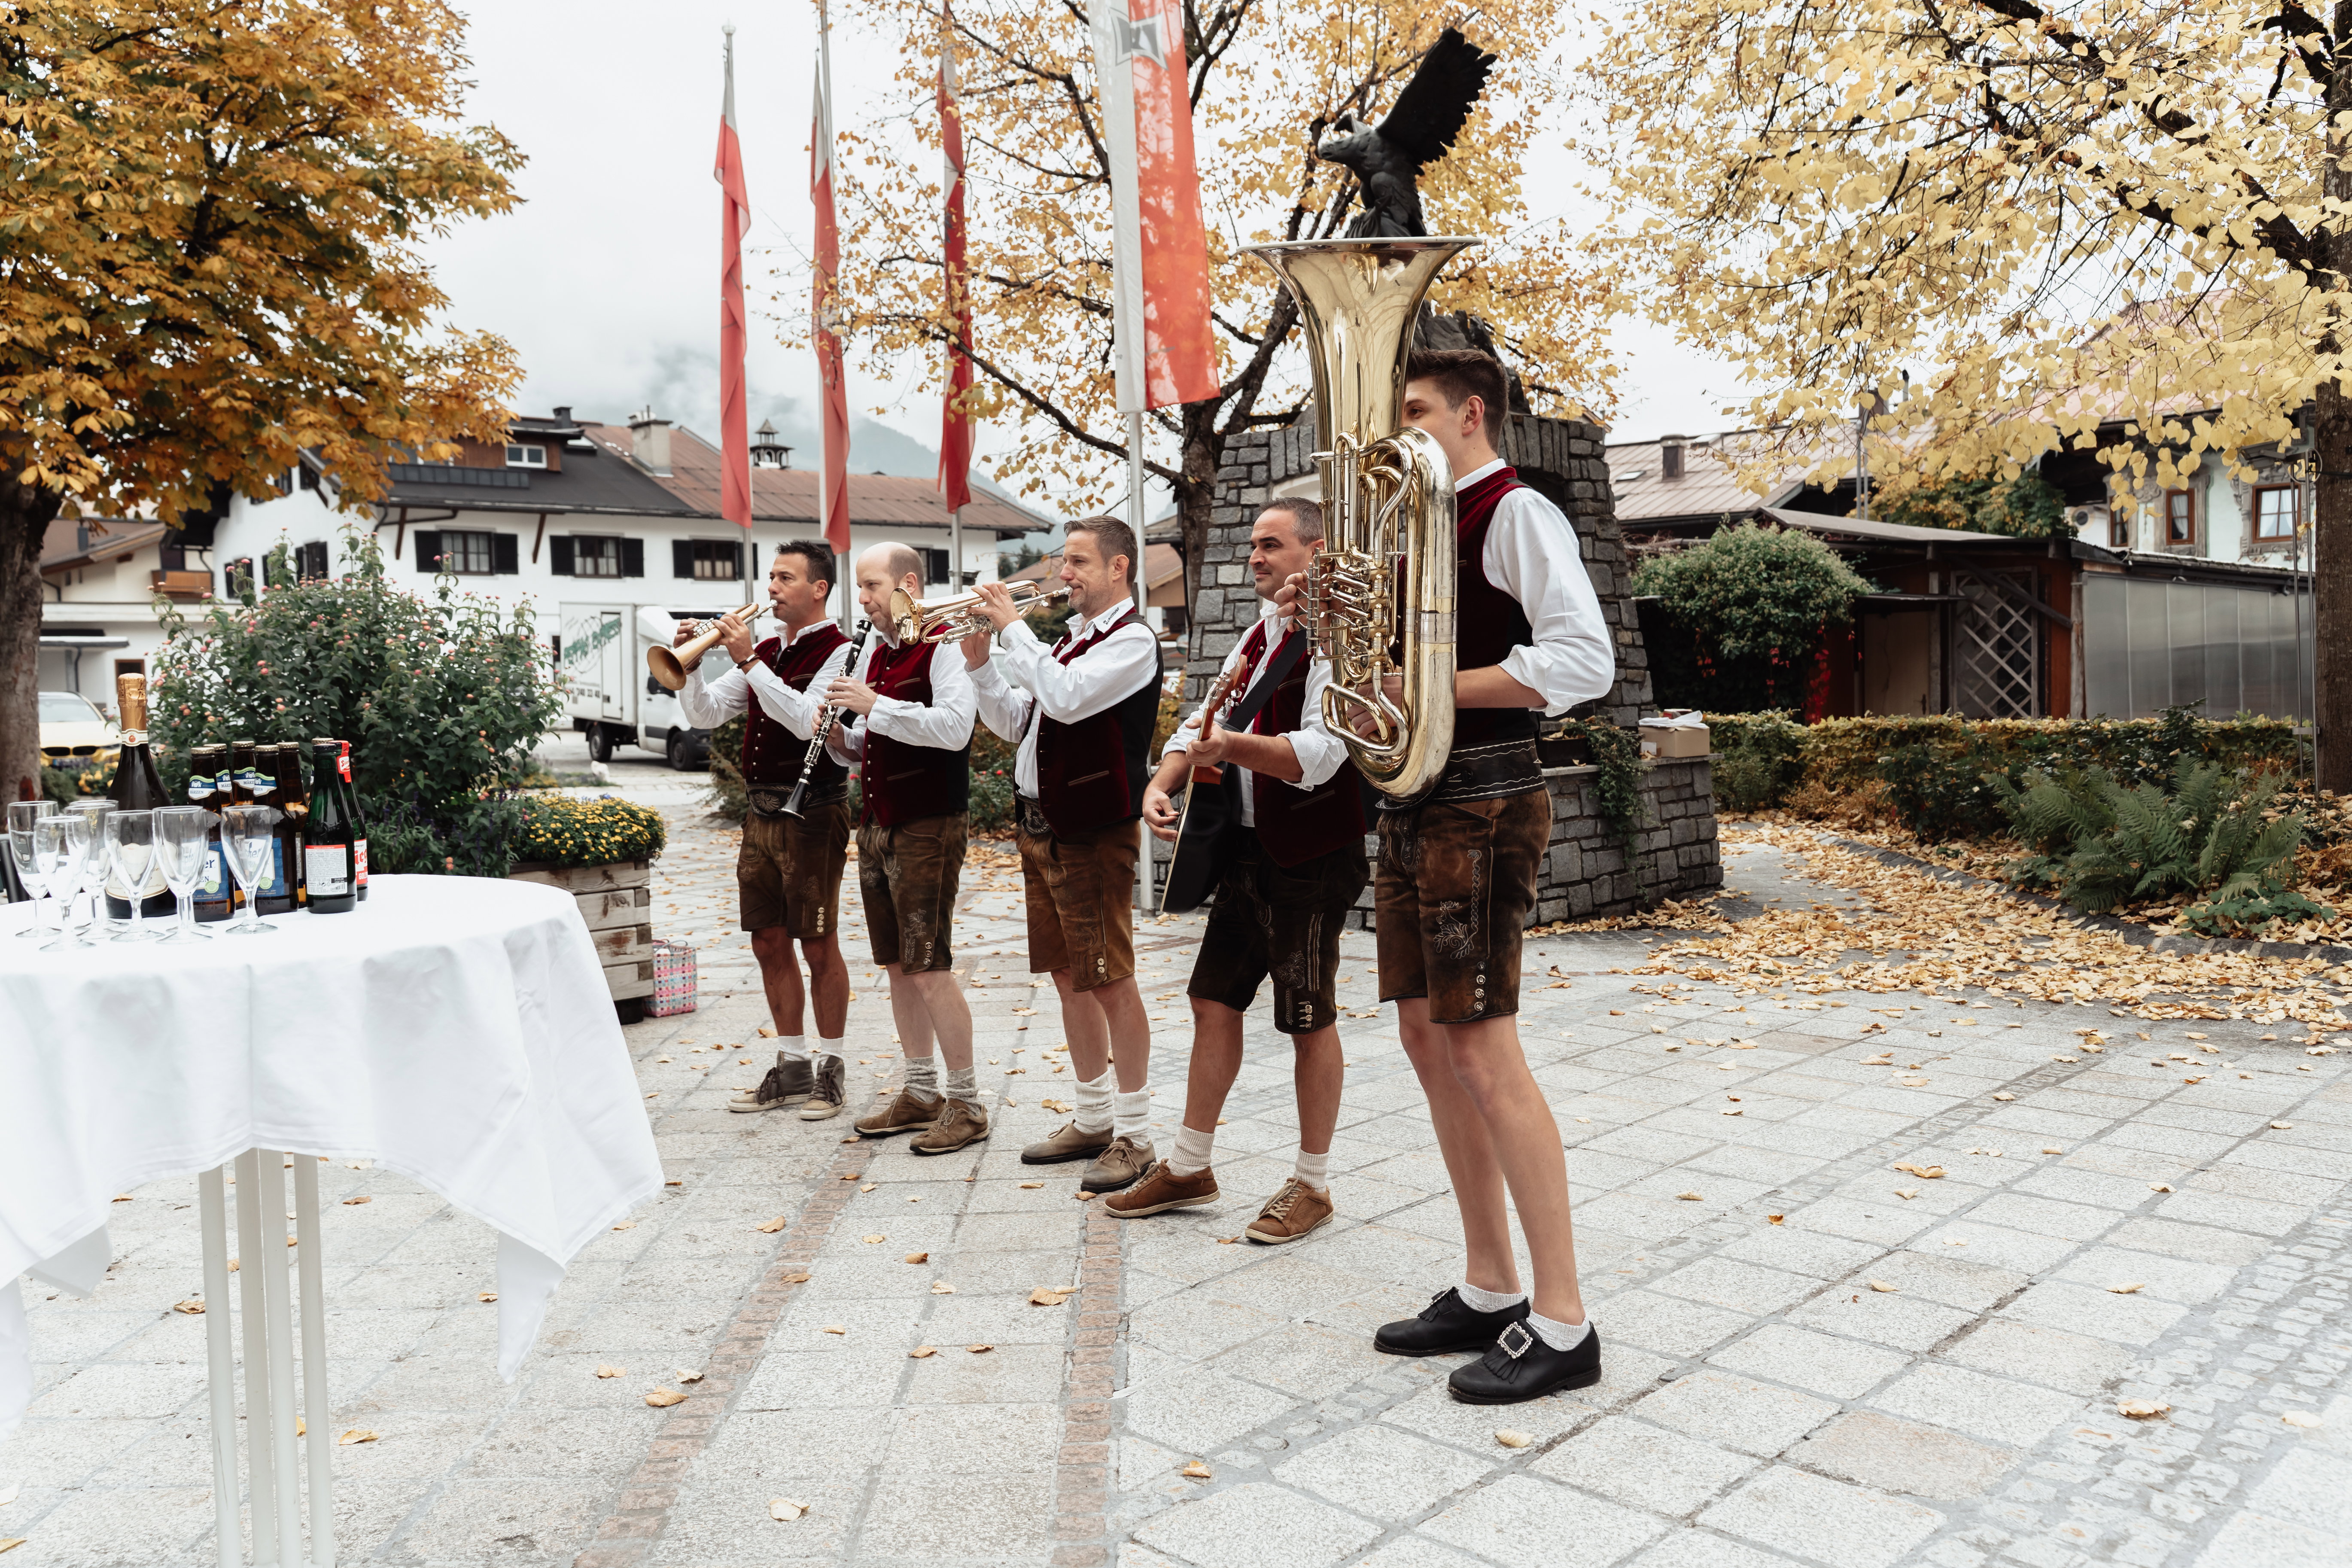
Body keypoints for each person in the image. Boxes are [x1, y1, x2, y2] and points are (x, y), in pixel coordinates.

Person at [1287, 348, 1616, 1404]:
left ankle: (1564, 1318)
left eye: (1415, 412)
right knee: (1431, 1041)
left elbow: (1583, 661)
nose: (1398, 435)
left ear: (1473, 414)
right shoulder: (1418, 526)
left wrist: (1420, 679)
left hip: (1482, 794)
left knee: (1484, 1051)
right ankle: (1490, 1283)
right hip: (1417, 795)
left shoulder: (1517, 514)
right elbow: (1383, 677)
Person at [1107, 499, 1366, 1243]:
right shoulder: (1262, 634)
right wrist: (1165, 780)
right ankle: (1190, 1165)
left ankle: (1311, 1184)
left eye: (1271, 545)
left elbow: (1319, 757)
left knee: (1307, 1019)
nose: (1254, 557)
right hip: (1247, 848)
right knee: (1211, 1003)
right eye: (1253, 545)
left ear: (1317, 555)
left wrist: (1227, 751)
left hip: (1314, 852)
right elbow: (1204, 721)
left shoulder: (1341, 644)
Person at [963, 519, 1162, 1193]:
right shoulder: (1072, 640)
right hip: (1042, 828)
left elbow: (1068, 700)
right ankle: (1093, 1118)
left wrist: (1010, 634)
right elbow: (1022, 723)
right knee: (1068, 977)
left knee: (1109, 978)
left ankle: (1135, 1135)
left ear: (1120, 569)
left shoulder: (1133, 640)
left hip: (1091, 832)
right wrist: (979, 664)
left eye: (1078, 562)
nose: (1063, 574)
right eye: (1062, 561)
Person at [675, 540, 857, 1120]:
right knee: (766, 939)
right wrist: (690, 668)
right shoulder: (770, 649)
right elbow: (704, 715)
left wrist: (750, 662)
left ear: (819, 588)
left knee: (817, 941)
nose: (771, 588)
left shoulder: (842, 652)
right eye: (771, 577)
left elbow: (810, 721)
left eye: (784, 578)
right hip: (761, 813)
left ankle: (831, 1067)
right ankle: (792, 1063)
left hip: (814, 811)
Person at [825, 543, 987, 1154]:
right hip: (878, 820)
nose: (862, 599)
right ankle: (921, 1090)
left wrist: (875, 705)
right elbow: (874, 743)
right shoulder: (877, 651)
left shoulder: (943, 642)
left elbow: (952, 729)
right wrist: (844, 736)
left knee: (929, 964)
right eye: (861, 587)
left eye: (870, 585)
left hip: (927, 822)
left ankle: (967, 1101)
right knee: (896, 964)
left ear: (908, 584)